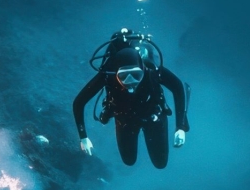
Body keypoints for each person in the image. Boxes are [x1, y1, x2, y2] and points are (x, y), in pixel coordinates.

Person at [72, 29, 189, 168]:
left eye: (135, 75)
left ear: (143, 69)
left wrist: (180, 126)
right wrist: (83, 137)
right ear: (116, 72)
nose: (130, 81)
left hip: (153, 114)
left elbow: (178, 87)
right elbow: (78, 103)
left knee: (160, 163)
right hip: (125, 119)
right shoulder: (107, 75)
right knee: (129, 161)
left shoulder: (152, 70)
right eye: (123, 76)